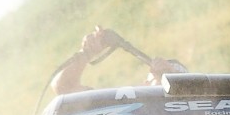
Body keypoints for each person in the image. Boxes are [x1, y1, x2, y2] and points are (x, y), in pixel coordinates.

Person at [51, 27, 186, 96]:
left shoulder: (194, 107)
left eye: (172, 75)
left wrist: (173, 76)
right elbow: (63, 88)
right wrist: (86, 53)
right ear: (145, 84)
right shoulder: (118, 103)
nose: (167, 81)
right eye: (160, 75)